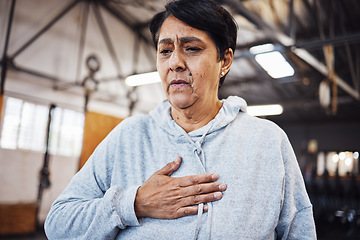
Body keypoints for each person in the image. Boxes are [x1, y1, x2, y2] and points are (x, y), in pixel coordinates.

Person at [45, 0, 317, 239]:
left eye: (192, 49)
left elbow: (300, 232)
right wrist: (135, 203)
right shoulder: (129, 137)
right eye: (165, 51)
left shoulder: (268, 141)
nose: (174, 62)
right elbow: (58, 224)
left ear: (225, 61)